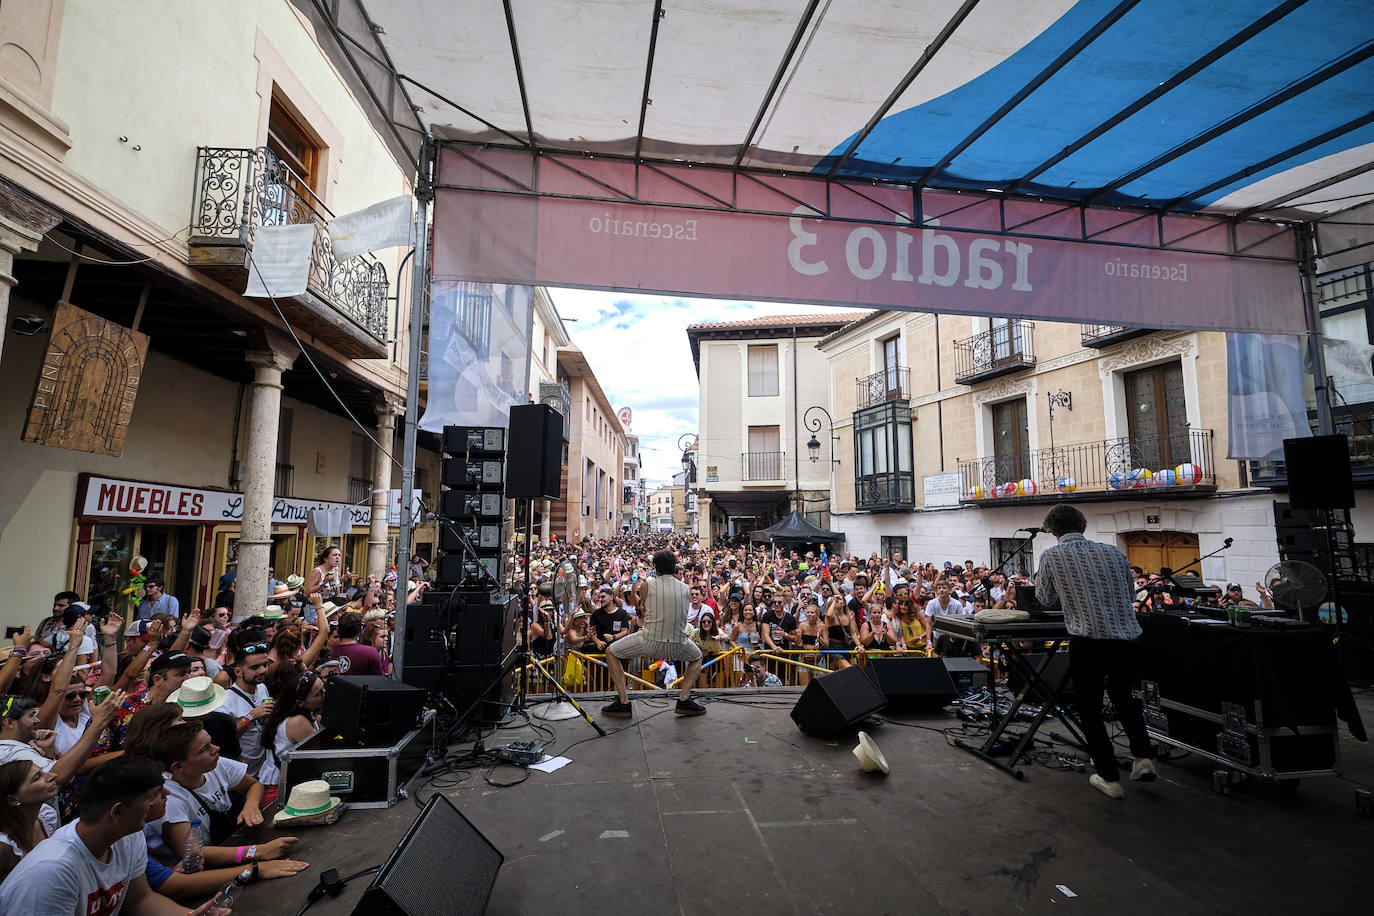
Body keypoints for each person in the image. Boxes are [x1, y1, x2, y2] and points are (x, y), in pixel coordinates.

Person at [0, 755, 227, 916]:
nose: (165, 795)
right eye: (154, 794)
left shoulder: (128, 834)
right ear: (117, 811)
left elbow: (140, 900)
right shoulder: (53, 871)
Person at [1034, 504, 1157, 799]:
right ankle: (1143, 758)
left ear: (1052, 530)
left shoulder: (1052, 555)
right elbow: (1129, 595)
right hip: (1129, 640)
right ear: (1083, 525)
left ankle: (1109, 777)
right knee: (1123, 697)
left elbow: (1044, 598)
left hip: (1089, 642)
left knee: (1089, 708)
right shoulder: (1115, 552)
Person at [601, 550, 706, 718]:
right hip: (679, 643)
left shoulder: (647, 586)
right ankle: (684, 699)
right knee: (697, 657)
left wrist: (637, 580)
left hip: (649, 641)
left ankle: (623, 703)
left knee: (611, 652)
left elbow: (640, 606)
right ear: (674, 568)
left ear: (656, 568)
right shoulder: (686, 589)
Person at [218, 638, 274, 779]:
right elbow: (224, 740)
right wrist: (250, 717)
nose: (262, 671)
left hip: (263, 771)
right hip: (240, 776)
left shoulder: (262, 688)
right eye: (254, 667)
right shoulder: (226, 700)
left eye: (265, 665)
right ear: (237, 671)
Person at [0, 760, 57, 881]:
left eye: (43, 772)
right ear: (13, 800)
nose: (52, 776)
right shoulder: (4, 847)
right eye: (37, 778)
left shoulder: (46, 817)